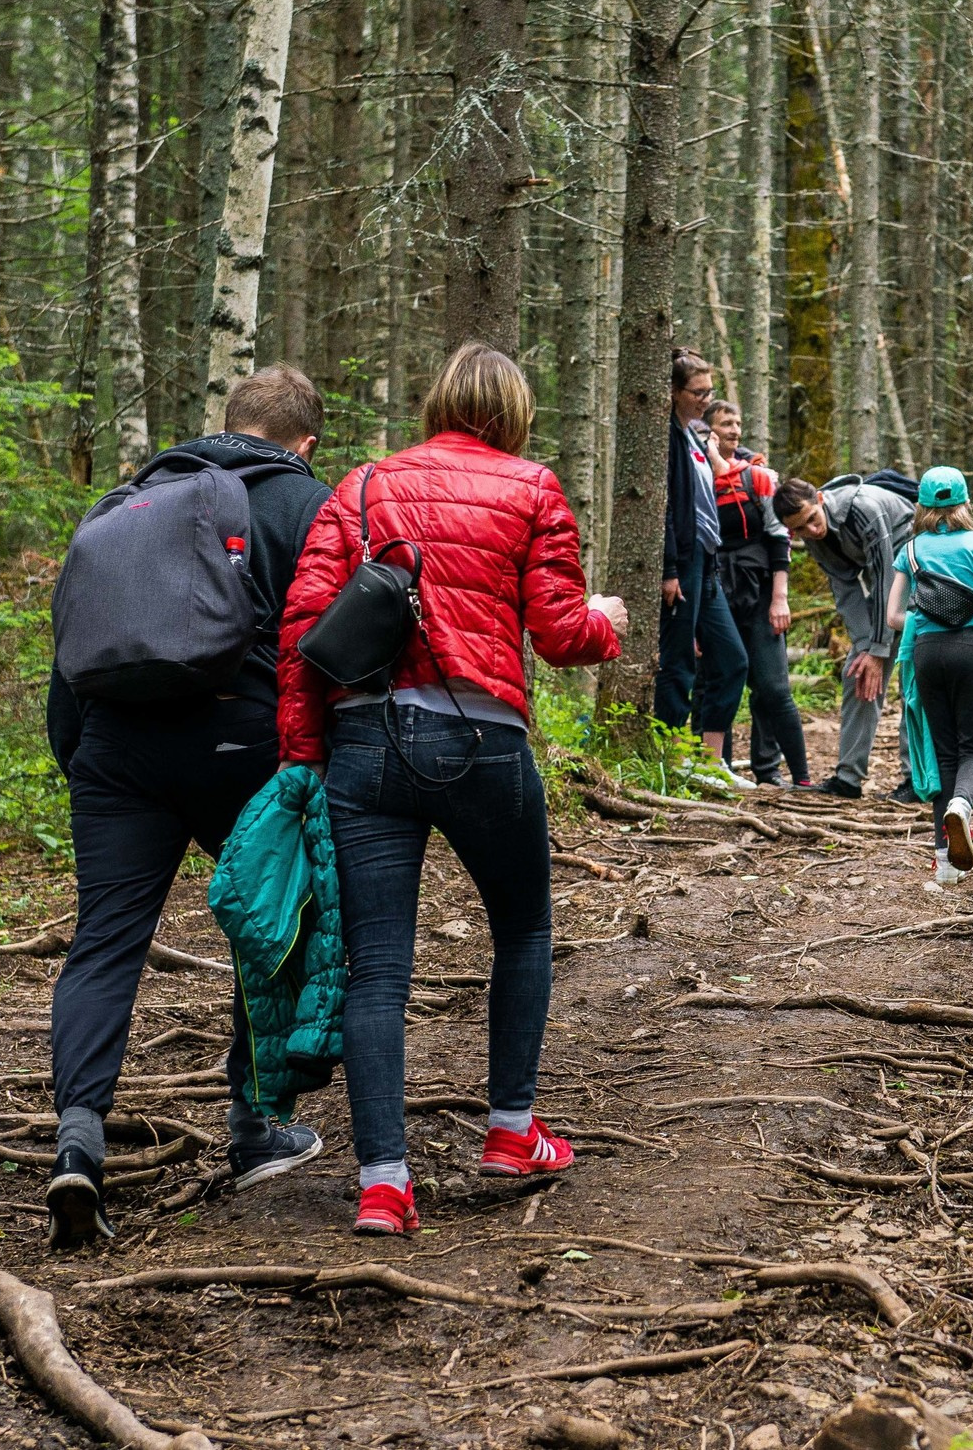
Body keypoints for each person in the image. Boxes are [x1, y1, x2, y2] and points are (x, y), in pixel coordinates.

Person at [277, 345, 628, 1236]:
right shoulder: (533, 487)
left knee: (376, 968)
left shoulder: (362, 485)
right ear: (514, 412)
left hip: (365, 743)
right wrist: (607, 622)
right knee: (524, 927)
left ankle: (383, 1184)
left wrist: (304, 756)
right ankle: (511, 1129)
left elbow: (304, 628)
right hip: (481, 741)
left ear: (437, 403)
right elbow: (560, 635)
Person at [43, 365, 334, 1248]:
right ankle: (256, 1125)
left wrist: (83, 759)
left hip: (115, 749)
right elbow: (326, 640)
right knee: (268, 918)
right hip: (239, 741)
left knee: (104, 941)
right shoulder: (307, 503)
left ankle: (79, 1139)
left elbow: (72, 648)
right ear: (306, 442)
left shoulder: (135, 498)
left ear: (227, 420)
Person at [886, 468, 973, 884]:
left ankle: (944, 863)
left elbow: (892, 616)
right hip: (971, 647)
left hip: (926, 652)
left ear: (921, 507)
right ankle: (962, 804)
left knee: (942, 753)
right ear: (965, 504)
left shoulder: (911, 549)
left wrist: (921, 621)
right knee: (972, 748)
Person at [775, 472, 921, 803]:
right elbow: (846, 590)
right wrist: (865, 647)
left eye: (812, 519)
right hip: (887, 586)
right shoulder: (814, 538)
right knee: (858, 671)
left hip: (916, 574)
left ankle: (917, 778)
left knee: (912, 676)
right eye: (800, 530)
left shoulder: (864, 508)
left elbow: (885, 577)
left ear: (820, 500)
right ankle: (848, 778)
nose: (812, 531)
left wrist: (879, 651)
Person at [705, 401, 813, 787]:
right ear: (708, 431)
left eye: (738, 423)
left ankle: (791, 775)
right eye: (725, 424)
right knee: (717, 680)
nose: (735, 430)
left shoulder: (758, 478)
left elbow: (779, 535)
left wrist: (780, 597)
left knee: (772, 686)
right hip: (715, 591)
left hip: (761, 591)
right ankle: (718, 770)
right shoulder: (696, 474)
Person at [658, 350, 749, 777]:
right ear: (674, 392)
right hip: (683, 560)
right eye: (698, 392)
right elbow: (664, 508)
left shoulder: (694, 437)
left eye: (710, 391)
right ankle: (672, 760)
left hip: (707, 560)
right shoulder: (667, 439)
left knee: (733, 660)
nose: (706, 400)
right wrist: (669, 569)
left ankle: (712, 764)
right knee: (678, 661)